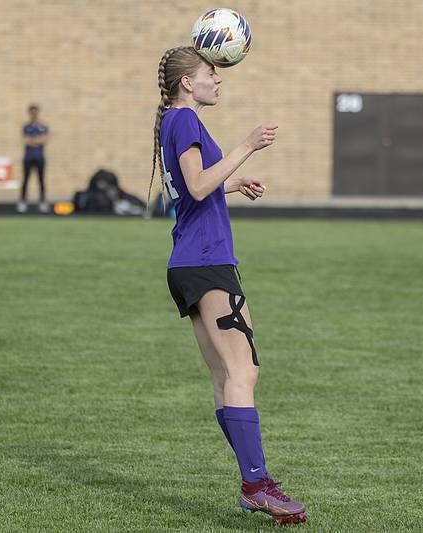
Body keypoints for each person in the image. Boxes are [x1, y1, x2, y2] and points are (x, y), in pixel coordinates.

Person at [150, 46, 306, 525]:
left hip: (191, 262)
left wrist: (232, 186)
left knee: (225, 378)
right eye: (210, 74)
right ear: (185, 83)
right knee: (244, 373)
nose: (218, 80)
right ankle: (257, 484)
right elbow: (195, 187)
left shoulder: (173, 123)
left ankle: (253, 482)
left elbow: (194, 187)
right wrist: (247, 145)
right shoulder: (185, 121)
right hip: (207, 260)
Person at [18, 103, 49, 213]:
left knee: (41, 180)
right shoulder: (26, 127)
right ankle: (22, 201)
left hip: (39, 157)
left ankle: (42, 201)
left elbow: (44, 140)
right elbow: (26, 140)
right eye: (32, 112)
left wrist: (34, 140)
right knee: (26, 179)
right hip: (28, 157)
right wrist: (36, 140)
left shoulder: (43, 126)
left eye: (35, 112)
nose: (34, 115)